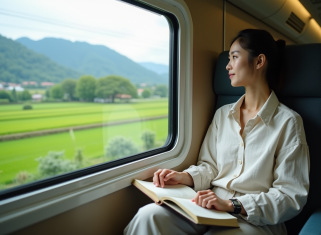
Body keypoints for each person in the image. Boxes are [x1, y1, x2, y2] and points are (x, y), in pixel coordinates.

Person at [124, 29, 310, 235]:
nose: (227, 65)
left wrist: (233, 205)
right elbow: (210, 166)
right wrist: (184, 177)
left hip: (255, 221)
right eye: (228, 58)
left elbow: (290, 195)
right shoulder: (223, 115)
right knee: (148, 216)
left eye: (234, 57)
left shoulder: (288, 122)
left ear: (259, 62)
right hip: (209, 208)